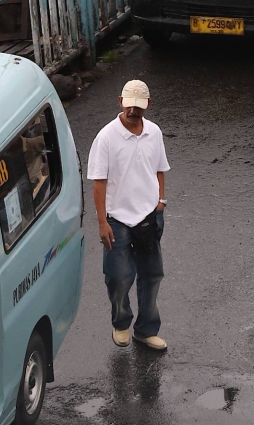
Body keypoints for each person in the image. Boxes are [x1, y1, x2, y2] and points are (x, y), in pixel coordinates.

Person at [87, 79, 170, 350]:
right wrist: (102, 223)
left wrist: (160, 203)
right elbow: (98, 183)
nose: (134, 111)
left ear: (148, 106)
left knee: (152, 275)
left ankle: (146, 330)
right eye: (130, 105)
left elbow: (159, 169)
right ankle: (121, 323)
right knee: (119, 276)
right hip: (117, 219)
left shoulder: (154, 132)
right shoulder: (106, 138)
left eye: (140, 107)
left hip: (149, 214)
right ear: (120, 102)